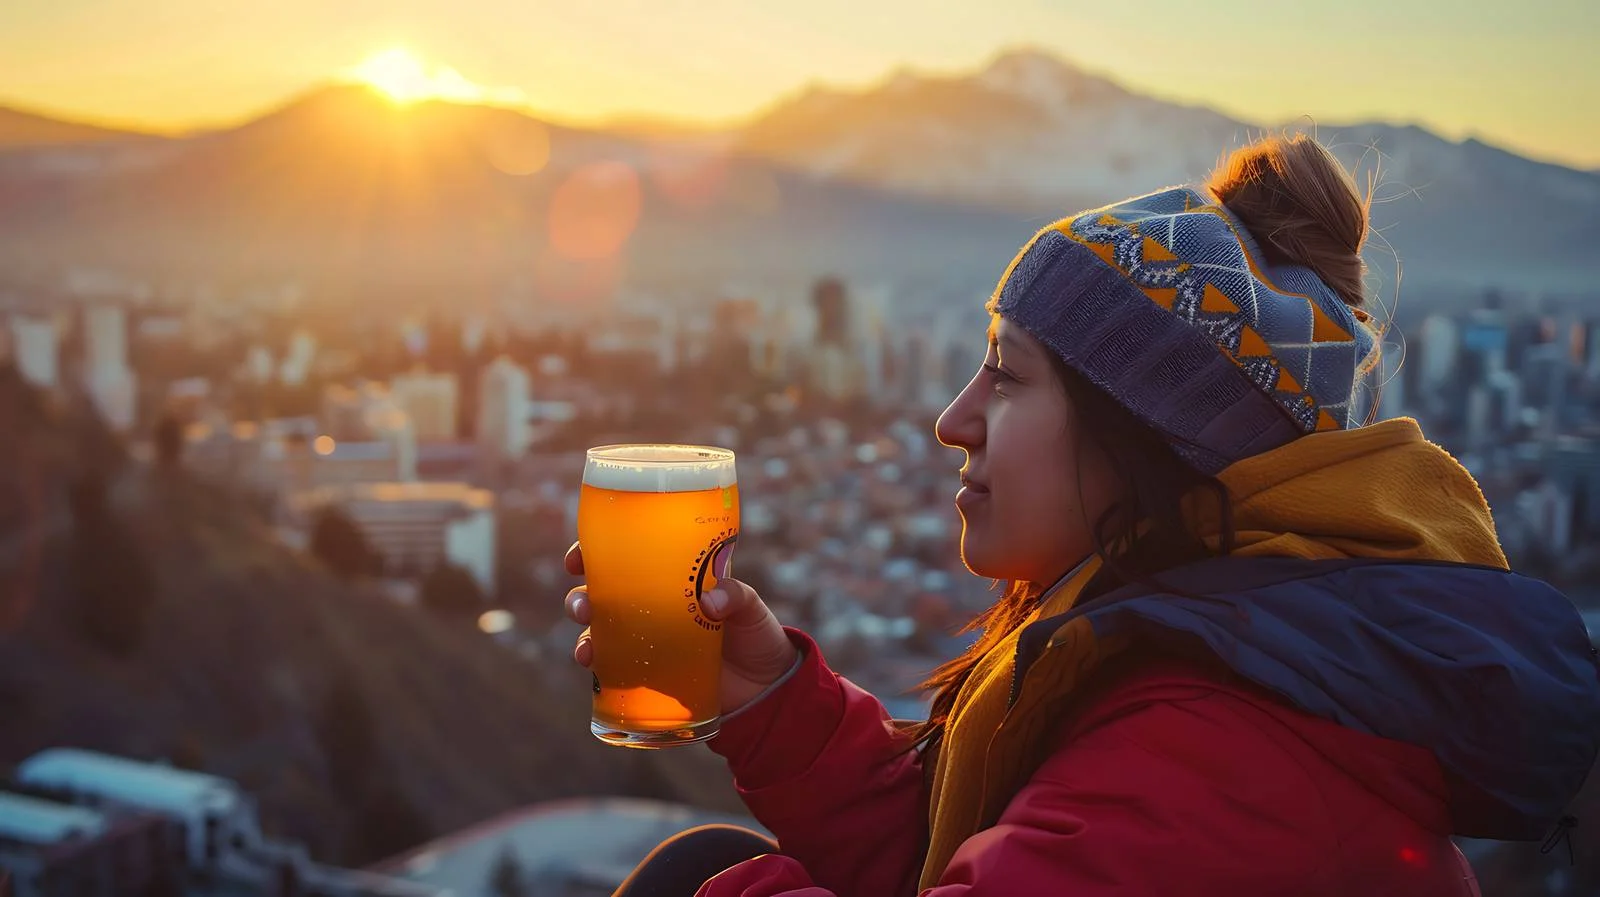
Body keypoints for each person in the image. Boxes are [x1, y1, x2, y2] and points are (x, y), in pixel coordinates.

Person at [564, 134, 1600, 897]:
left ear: (1144, 440)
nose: (952, 420)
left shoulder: (1217, 752)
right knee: (707, 857)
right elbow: (959, 864)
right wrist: (770, 698)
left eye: (1006, 376)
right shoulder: (1206, 652)